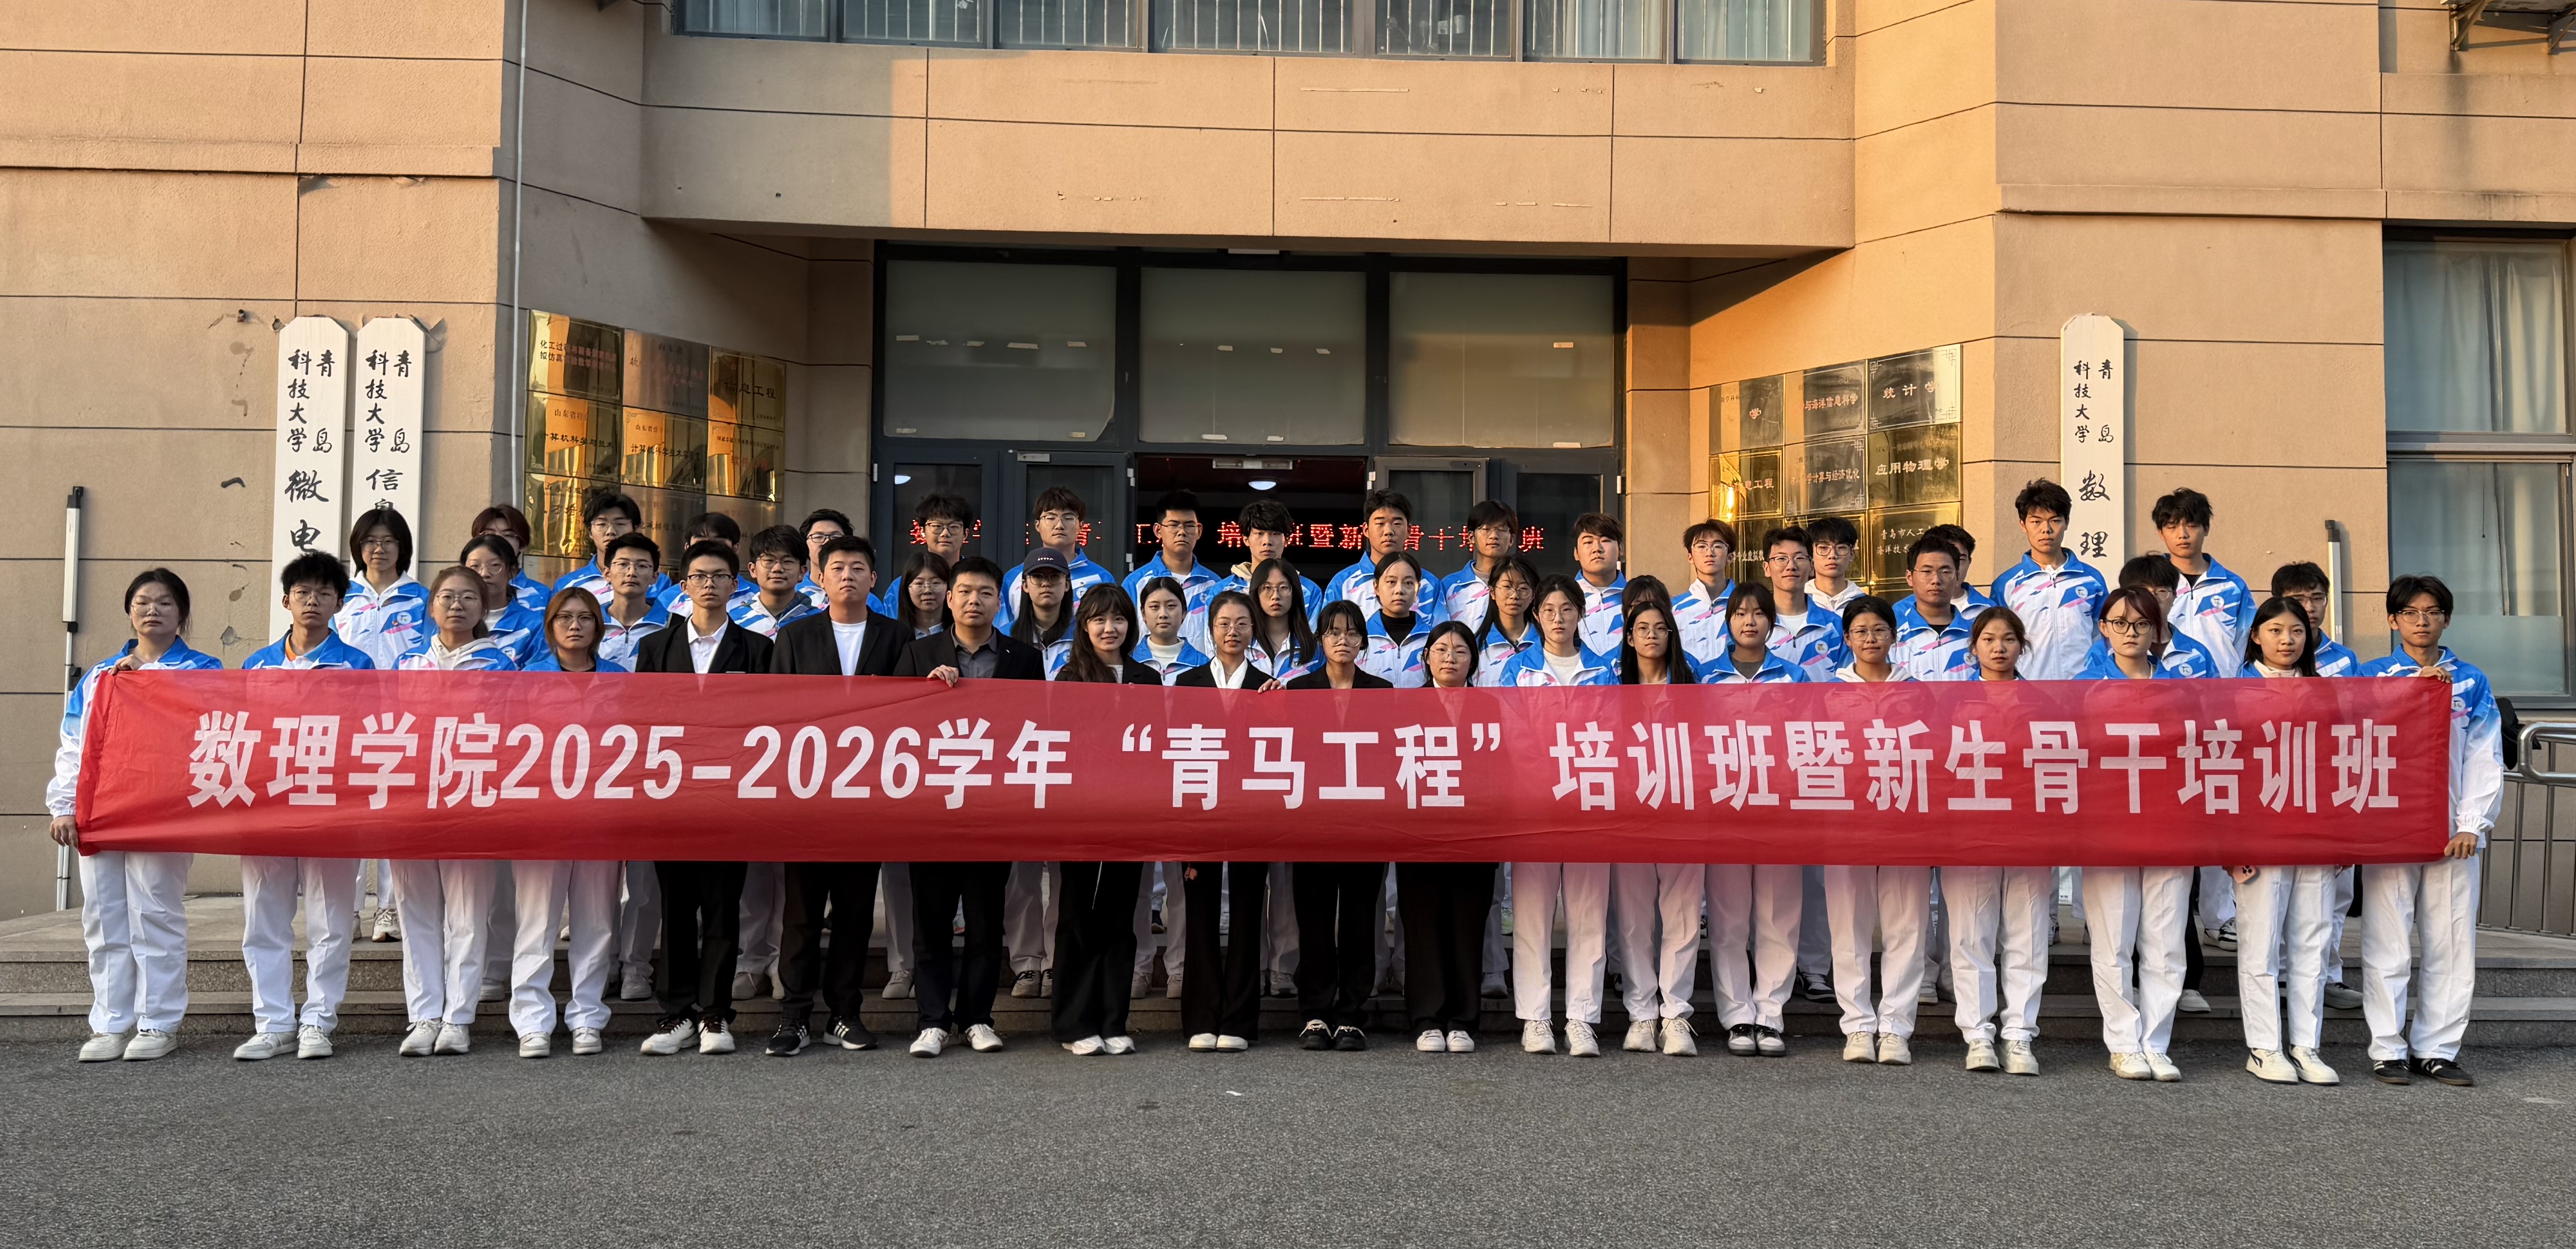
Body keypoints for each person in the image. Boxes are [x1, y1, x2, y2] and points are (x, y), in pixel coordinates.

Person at [55, 570, 226, 1062]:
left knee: (156, 913)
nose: (153, 610)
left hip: (163, 809)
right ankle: (110, 1023)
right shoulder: (101, 675)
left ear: (182, 614)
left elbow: (211, 730)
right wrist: (65, 804)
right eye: (143, 602)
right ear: (130, 612)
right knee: (104, 917)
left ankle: (158, 1022)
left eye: (165, 603)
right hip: (102, 807)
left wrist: (148, 686)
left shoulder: (204, 669)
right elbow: (74, 742)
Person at [893, 556, 1046, 1057]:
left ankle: (978, 1017)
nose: (973, 601)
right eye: (964, 591)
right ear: (949, 598)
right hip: (933, 809)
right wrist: (923, 692)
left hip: (991, 808)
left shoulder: (1024, 659)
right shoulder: (919, 654)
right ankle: (933, 1020)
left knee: (985, 921)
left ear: (1000, 602)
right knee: (931, 922)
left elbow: (1035, 726)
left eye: (985, 593)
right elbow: (895, 726)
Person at [631, 540, 775, 1057]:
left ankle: (714, 1013)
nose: (709, 584)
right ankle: (676, 1013)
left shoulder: (756, 649)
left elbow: (768, 722)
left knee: (720, 908)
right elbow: (641, 718)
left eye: (719, 576)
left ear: (736, 584)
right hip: (671, 795)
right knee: (675, 908)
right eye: (699, 576)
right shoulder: (655, 648)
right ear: (683, 585)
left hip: (729, 796)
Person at [762, 535, 904, 1058]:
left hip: (868, 796)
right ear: (819, 577)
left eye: (858, 567)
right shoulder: (795, 637)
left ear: (873, 579)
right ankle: (794, 1015)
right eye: (837, 567)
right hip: (808, 795)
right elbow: (777, 714)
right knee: (800, 913)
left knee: (854, 912)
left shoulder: (896, 637)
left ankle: (844, 1014)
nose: (848, 575)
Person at [2357, 574, 2500, 1088]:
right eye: (2411, 612)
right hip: (2391, 830)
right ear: (2393, 620)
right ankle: (2387, 1049)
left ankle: (2437, 1050)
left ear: (2446, 619)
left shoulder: (2470, 681)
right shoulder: (2371, 677)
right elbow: (2353, 745)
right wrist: (2410, 693)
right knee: (2388, 942)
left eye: (2432, 612)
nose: (2422, 621)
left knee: (2451, 942)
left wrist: (2472, 824)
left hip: (2452, 833)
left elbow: (2485, 755)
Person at [233, 553, 375, 1062]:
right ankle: (272, 1023)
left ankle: (318, 1021)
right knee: (264, 919)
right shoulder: (258, 664)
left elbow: (368, 735)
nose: (312, 601)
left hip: (331, 806)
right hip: (267, 806)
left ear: (339, 604)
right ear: (285, 600)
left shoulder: (358, 665)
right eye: (303, 593)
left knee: (331, 921)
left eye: (324, 593)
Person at [386, 567, 516, 1057]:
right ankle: (423, 1014)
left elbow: (509, 731)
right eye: (446, 596)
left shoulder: (500, 665)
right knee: (416, 911)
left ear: (483, 608)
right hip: (412, 798)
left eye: (468, 597)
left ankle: (458, 1017)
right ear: (431, 606)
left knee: (467, 914)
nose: (456, 605)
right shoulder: (406, 663)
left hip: (470, 797)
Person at [1491, 577, 1617, 1056]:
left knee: (1588, 916)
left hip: (1589, 804)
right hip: (1535, 807)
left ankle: (1582, 1018)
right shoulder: (1518, 670)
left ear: (1581, 614)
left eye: (1567, 609)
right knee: (1532, 916)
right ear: (1537, 616)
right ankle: (1536, 1017)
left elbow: (1611, 733)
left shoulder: (1602, 671)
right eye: (1549, 610)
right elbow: (1512, 734)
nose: (1558, 618)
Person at [2073, 587, 2193, 1084]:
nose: (2130, 632)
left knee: (2166, 942)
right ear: (2103, 628)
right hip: (2108, 826)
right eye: (2120, 623)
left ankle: (2157, 1043)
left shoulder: (2182, 689)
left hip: (2169, 825)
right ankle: (2123, 1042)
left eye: (2141, 624)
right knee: (2114, 941)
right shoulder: (2084, 687)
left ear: (2156, 630)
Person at [507, 589, 626, 1059]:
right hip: (542, 816)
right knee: (536, 922)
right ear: (550, 625)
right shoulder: (528, 679)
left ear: (599, 627)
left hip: (601, 816)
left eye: (585, 618)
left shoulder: (619, 679)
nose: (575, 626)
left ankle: (587, 1017)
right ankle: (532, 1021)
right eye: (565, 618)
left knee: (596, 924)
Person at [2230, 595, 2341, 1086]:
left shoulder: (2325, 692)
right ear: (2256, 636)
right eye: (2275, 630)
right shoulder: (2233, 691)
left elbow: (2340, 765)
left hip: (2315, 831)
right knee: (2260, 945)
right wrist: (2231, 843)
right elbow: (2224, 770)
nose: (2287, 640)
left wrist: (2342, 836)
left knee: (2312, 942)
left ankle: (2306, 1045)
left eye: (2296, 631)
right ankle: (2264, 1047)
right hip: (2259, 834)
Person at [1050, 586, 1160, 1055]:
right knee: (1077, 913)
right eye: (1099, 620)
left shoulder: (1146, 678)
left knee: (1120, 915)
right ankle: (1074, 1024)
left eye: (1118, 619)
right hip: (1081, 809)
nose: (1109, 628)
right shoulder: (1070, 677)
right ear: (1084, 627)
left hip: (1131, 810)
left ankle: (1114, 1020)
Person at [1281, 600, 1395, 1052]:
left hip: (1366, 823)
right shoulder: (1299, 690)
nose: (1342, 640)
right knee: (1313, 920)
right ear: (1320, 640)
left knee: (1359, 921)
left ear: (1363, 642)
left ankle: (1350, 1014)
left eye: (1351, 633)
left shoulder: (1381, 691)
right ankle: (1314, 1013)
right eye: (1333, 632)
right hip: (1313, 824)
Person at [1699, 584, 1807, 1056]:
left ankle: (1771, 1014)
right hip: (1724, 808)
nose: (1749, 621)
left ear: (1771, 622)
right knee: (1728, 918)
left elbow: (1807, 739)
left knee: (1779, 916)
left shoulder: (1794, 676)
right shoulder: (1705, 676)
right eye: (1740, 613)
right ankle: (1738, 1016)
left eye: (1759, 613)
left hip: (1778, 808)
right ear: (1727, 622)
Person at [1821, 594, 1929, 1067]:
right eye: (1861, 632)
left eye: (1879, 630)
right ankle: (1858, 1025)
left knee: (1907, 926)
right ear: (1847, 639)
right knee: (1849, 926)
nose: (1870, 639)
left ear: (1894, 635)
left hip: (1905, 822)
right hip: (1847, 822)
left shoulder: (1917, 691)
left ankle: (1897, 1027)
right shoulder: (1828, 693)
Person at [1943, 605, 2048, 1077]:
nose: (1999, 648)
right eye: (1988, 640)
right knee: (1971, 935)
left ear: (2022, 646)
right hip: (1972, 830)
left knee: (2028, 935)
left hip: (2029, 830)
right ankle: (1978, 1034)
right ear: (1974, 648)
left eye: (2008, 640)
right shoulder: (1953, 702)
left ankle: (2020, 1034)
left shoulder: (2043, 703)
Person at [1610, 580, 1707, 1057]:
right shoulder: (1612, 688)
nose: (1651, 635)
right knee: (1633, 920)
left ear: (1672, 634)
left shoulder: (1692, 685)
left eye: (1660, 628)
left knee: (1683, 918)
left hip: (1682, 813)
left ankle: (1676, 1013)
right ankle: (1641, 1012)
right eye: (1642, 628)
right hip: (1630, 815)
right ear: (1629, 638)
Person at [2270, 560, 2365, 1011]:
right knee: (2281, 888)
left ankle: (2328, 975)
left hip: (2331, 782)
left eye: (2317, 598)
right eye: (2299, 599)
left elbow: (2361, 720)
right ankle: (2281, 975)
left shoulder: (2345, 660)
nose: (2309, 607)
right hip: (2278, 784)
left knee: (2336, 891)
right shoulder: (2258, 660)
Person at [1399, 621, 1496, 1054]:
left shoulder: (1489, 707)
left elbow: (1501, 768)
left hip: (1475, 835)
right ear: (1426, 659)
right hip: (1419, 835)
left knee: (1466, 925)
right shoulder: (1407, 706)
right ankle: (1427, 1019)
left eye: (1460, 651)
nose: (1450, 658)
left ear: (1473, 660)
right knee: (1423, 925)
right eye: (1441, 650)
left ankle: (1462, 1020)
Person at [1990, 479, 2106, 681]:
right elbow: (1997, 641)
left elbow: (2106, 635)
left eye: (2055, 520)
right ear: (2023, 525)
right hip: (2028, 689)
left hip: (2085, 687)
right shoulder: (2006, 585)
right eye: (2036, 522)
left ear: (2066, 522)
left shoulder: (2091, 579)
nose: (2046, 530)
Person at [2155, 486, 2255, 668]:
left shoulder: (2233, 586)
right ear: (2161, 533)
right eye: (2172, 527)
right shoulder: (2150, 584)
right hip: (2165, 683)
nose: (2183, 535)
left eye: (2192, 526)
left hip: (2223, 684)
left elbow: (2247, 643)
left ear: (2206, 528)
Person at [998, 487, 1113, 633]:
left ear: (1081, 526)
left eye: (1068, 518)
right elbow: (1002, 632)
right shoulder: (1014, 578)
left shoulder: (1102, 578)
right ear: (1037, 525)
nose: (1059, 526)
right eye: (1051, 518)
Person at [1123, 490, 1222, 652]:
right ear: (1158, 530)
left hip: (1202, 667)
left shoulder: (1214, 584)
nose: (1182, 532)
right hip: (1147, 667)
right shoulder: (1135, 583)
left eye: (1189, 525)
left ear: (1199, 531)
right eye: (1174, 525)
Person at [551, 488, 672, 607]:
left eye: (620, 524)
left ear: (634, 529)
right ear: (590, 532)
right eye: (602, 524)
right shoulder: (568, 585)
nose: (611, 531)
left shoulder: (659, 583)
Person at [1760, 525, 1849, 681]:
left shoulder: (1834, 626)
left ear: (1811, 567)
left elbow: (1848, 680)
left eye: (1800, 558)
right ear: (1767, 568)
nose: (1791, 566)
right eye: (1781, 559)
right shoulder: (1755, 626)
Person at [1217, 499, 1325, 624]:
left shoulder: (1309, 591)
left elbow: (1312, 635)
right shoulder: (1222, 591)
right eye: (1259, 533)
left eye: (1275, 534)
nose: (1267, 542)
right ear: (1246, 539)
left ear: (1286, 540)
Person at [1889, 534, 1974, 682]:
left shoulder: (1976, 636)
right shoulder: (1892, 637)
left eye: (1945, 572)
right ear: (1910, 578)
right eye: (1926, 572)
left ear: (1957, 577)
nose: (1936, 580)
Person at [1326, 489, 1420, 620]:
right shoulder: (1343, 583)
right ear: (1366, 530)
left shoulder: (1429, 584)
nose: (1388, 531)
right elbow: (1329, 630)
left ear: (1409, 530)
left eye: (1397, 524)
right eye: (1380, 524)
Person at [460, 534, 547, 665]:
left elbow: (540, 674)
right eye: (475, 566)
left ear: (512, 570)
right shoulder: (452, 620)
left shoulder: (534, 625)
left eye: (495, 565)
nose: (484, 574)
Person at [592, 532, 674, 671]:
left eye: (642, 566)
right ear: (607, 573)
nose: (631, 573)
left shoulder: (672, 625)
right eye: (623, 564)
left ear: (655, 577)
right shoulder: (592, 622)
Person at [1434, 500, 1519, 631]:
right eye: (1486, 529)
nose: (1494, 536)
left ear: (1512, 539)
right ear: (1471, 537)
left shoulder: (1521, 585)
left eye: (1502, 529)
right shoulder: (1450, 586)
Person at [733, 524, 822, 639]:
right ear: (753, 570)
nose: (777, 569)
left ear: (802, 572)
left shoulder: (819, 622)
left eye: (787, 561)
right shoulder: (734, 621)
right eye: (769, 560)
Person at [1358, 552, 1433, 688]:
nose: (1399, 590)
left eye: (1408, 583)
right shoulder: (1360, 639)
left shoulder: (1433, 640)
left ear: (1418, 590)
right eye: (1391, 582)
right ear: (1376, 587)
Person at [1671, 519, 1736, 671]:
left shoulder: (1745, 605)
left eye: (1717, 546)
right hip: (1689, 685)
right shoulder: (1673, 608)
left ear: (1730, 556)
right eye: (1701, 546)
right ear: (1690, 557)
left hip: (1734, 684)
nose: (1709, 553)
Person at [658, 511, 754, 613]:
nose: (710, 548)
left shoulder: (757, 597)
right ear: (687, 547)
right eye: (701, 543)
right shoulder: (668, 599)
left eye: (719, 543)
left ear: (736, 548)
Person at [1009, 547, 1078, 681]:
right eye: (1037, 577)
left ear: (1067, 584)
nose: (1046, 584)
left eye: (1055, 576)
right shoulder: (1006, 635)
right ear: (1025, 586)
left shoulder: (1083, 636)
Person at [1243, 557, 1316, 682]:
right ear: (1256, 593)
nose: (1276, 596)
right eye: (1267, 588)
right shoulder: (1243, 645)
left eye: (1284, 587)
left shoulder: (1314, 649)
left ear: (1295, 592)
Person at [471, 503, 550, 609]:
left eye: (508, 535)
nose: (498, 541)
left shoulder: (543, 595)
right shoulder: (461, 590)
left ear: (522, 545)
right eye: (489, 534)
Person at [1132, 577, 1211, 683]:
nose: (1163, 614)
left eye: (1171, 606)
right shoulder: (1130, 662)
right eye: (1155, 607)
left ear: (1184, 612)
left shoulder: (1203, 665)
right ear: (1143, 614)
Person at [1572, 512, 1627, 655]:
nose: (1597, 549)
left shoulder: (1636, 598)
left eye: (1605, 540)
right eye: (1588, 542)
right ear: (1576, 553)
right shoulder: (1566, 598)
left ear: (1621, 549)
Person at [1804, 515, 1864, 613]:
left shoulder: (1864, 604)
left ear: (1852, 554)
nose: (1832, 555)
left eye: (1841, 548)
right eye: (1823, 548)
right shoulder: (1799, 601)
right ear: (1811, 553)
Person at [798, 506, 855, 610]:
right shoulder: (792, 597)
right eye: (818, 537)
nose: (827, 542)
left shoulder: (866, 600)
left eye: (835, 537)